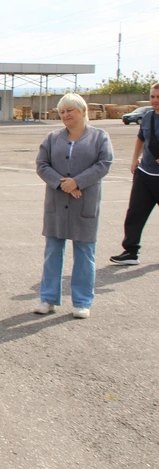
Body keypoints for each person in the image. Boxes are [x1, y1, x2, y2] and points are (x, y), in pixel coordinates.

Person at [34, 93, 113, 318]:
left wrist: (77, 182)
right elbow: (42, 164)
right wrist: (63, 184)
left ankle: (82, 301)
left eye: (70, 110)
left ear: (83, 111)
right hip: (57, 204)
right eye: (62, 112)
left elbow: (104, 163)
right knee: (53, 252)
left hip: (84, 203)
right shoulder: (52, 138)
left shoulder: (99, 137)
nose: (66, 115)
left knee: (85, 253)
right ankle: (48, 299)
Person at [109, 82, 159, 266]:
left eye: (158, 97)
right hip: (144, 175)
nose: (155, 101)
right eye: (152, 97)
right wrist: (134, 160)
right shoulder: (147, 118)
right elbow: (140, 139)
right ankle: (130, 252)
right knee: (134, 214)